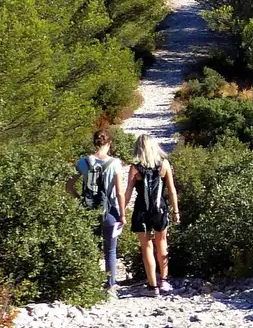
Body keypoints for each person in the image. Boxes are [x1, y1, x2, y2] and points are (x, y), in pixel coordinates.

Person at [67, 127, 127, 299]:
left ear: (95, 143)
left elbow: (68, 186)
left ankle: (90, 283)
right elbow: (120, 192)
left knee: (91, 247)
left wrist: (80, 200)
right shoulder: (115, 163)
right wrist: (122, 214)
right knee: (110, 249)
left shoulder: (82, 162)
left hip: (88, 209)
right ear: (108, 143)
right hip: (110, 210)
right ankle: (110, 286)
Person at [126, 133, 180, 296]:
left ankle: (152, 286)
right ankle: (164, 281)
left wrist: (121, 211)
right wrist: (176, 210)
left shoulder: (135, 167)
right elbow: (171, 190)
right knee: (162, 243)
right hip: (160, 210)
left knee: (146, 248)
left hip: (142, 211)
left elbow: (128, 192)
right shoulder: (164, 164)